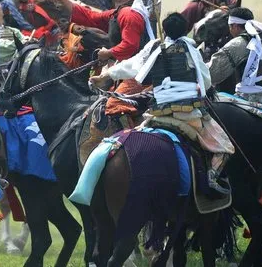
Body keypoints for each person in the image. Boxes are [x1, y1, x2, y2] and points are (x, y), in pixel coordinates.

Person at [90, 12, 235, 196]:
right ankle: (212, 179)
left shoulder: (155, 48)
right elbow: (206, 82)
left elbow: (130, 66)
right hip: (189, 115)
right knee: (224, 147)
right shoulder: (191, 50)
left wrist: (106, 75)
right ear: (184, 31)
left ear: (165, 30)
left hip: (156, 115)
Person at [48, 0, 153, 63]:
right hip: (124, 64)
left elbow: (130, 45)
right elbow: (92, 17)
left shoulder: (129, 14)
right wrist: (61, 0)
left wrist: (109, 53)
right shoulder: (117, 13)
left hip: (137, 69)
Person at [208, 7, 262, 111]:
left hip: (245, 101)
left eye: (230, 27)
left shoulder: (237, 45)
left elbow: (212, 73)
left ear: (234, 26)